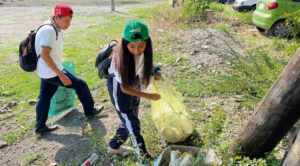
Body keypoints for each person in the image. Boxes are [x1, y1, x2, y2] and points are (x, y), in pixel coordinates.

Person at [34, 4, 103, 135]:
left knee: (44, 97)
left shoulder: (52, 26)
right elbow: (44, 55)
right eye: (66, 20)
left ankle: (40, 126)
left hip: (46, 71)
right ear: (56, 17)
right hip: (52, 72)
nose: (68, 24)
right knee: (81, 85)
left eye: (70, 21)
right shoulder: (49, 30)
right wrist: (61, 75)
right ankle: (89, 111)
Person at [106, 19, 161, 160]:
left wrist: (153, 70)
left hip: (133, 80)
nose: (137, 51)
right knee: (132, 122)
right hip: (120, 88)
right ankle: (143, 158)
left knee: (130, 120)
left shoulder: (146, 47)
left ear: (147, 42)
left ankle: (113, 146)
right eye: (132, 47)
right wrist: (150, 96)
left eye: (141, 46)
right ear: (125, 43)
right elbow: (124, 88)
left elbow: (145, 60)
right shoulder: (119, 58)